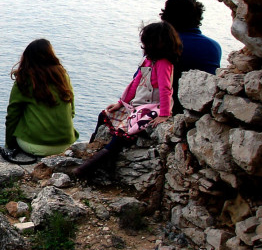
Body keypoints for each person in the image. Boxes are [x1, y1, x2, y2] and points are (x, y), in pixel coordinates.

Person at [75, 22, 182, 177]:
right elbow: (135, 84)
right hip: (139, 104)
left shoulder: (164, 64)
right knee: (104, 115)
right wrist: (121, 103)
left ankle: (89, 167)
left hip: (154, 107)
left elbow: (166, 89)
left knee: (123, 132)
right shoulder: (147, 61)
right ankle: (98, 153)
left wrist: (165, 114)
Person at [2, 39, 79, 158]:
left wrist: (9, 145)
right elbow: (72, 111)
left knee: (21, 115)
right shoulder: (63, 77)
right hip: (65, 144)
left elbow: (12, 116)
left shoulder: (24, 81)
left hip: (35, 146)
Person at [159, 0, 222, 113]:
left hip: (166, 110)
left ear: (166, 16)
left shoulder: (163, 44)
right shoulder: (214, 47)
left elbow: (143, 78)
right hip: (200, 112)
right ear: (198, 16)